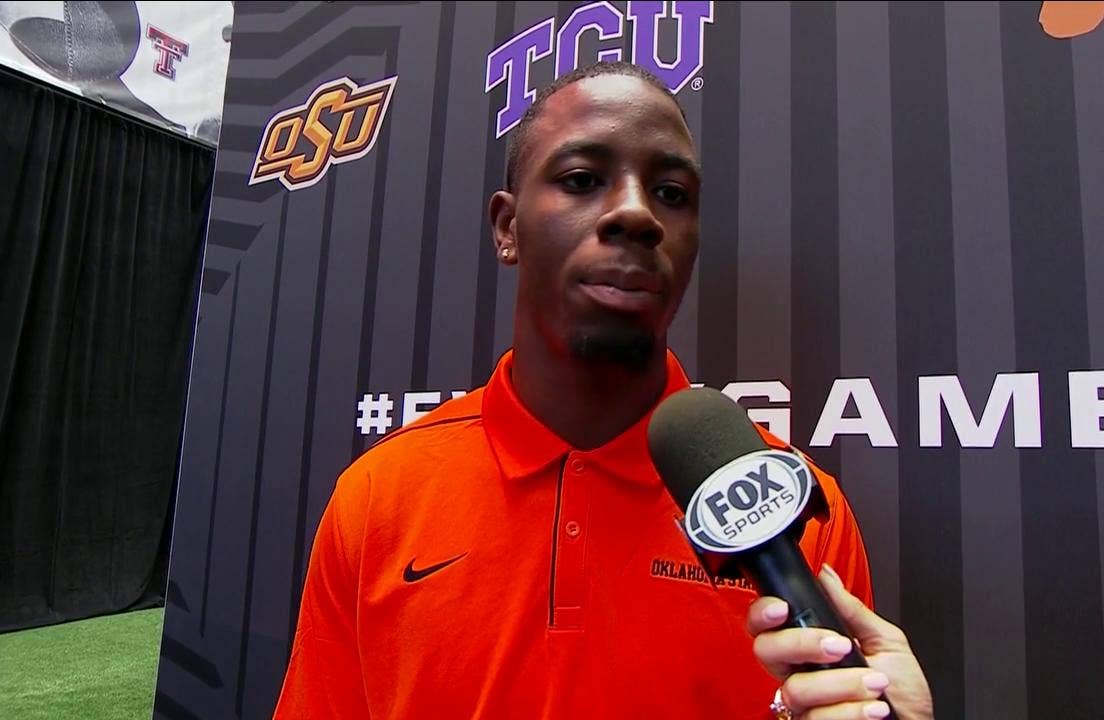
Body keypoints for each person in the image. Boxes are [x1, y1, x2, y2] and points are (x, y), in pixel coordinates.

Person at [273, 60, 933, 720]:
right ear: (507, 227)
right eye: (583, 180)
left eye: (671, 193)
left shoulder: (801, 516)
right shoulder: (378, 498)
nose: (636, 214)